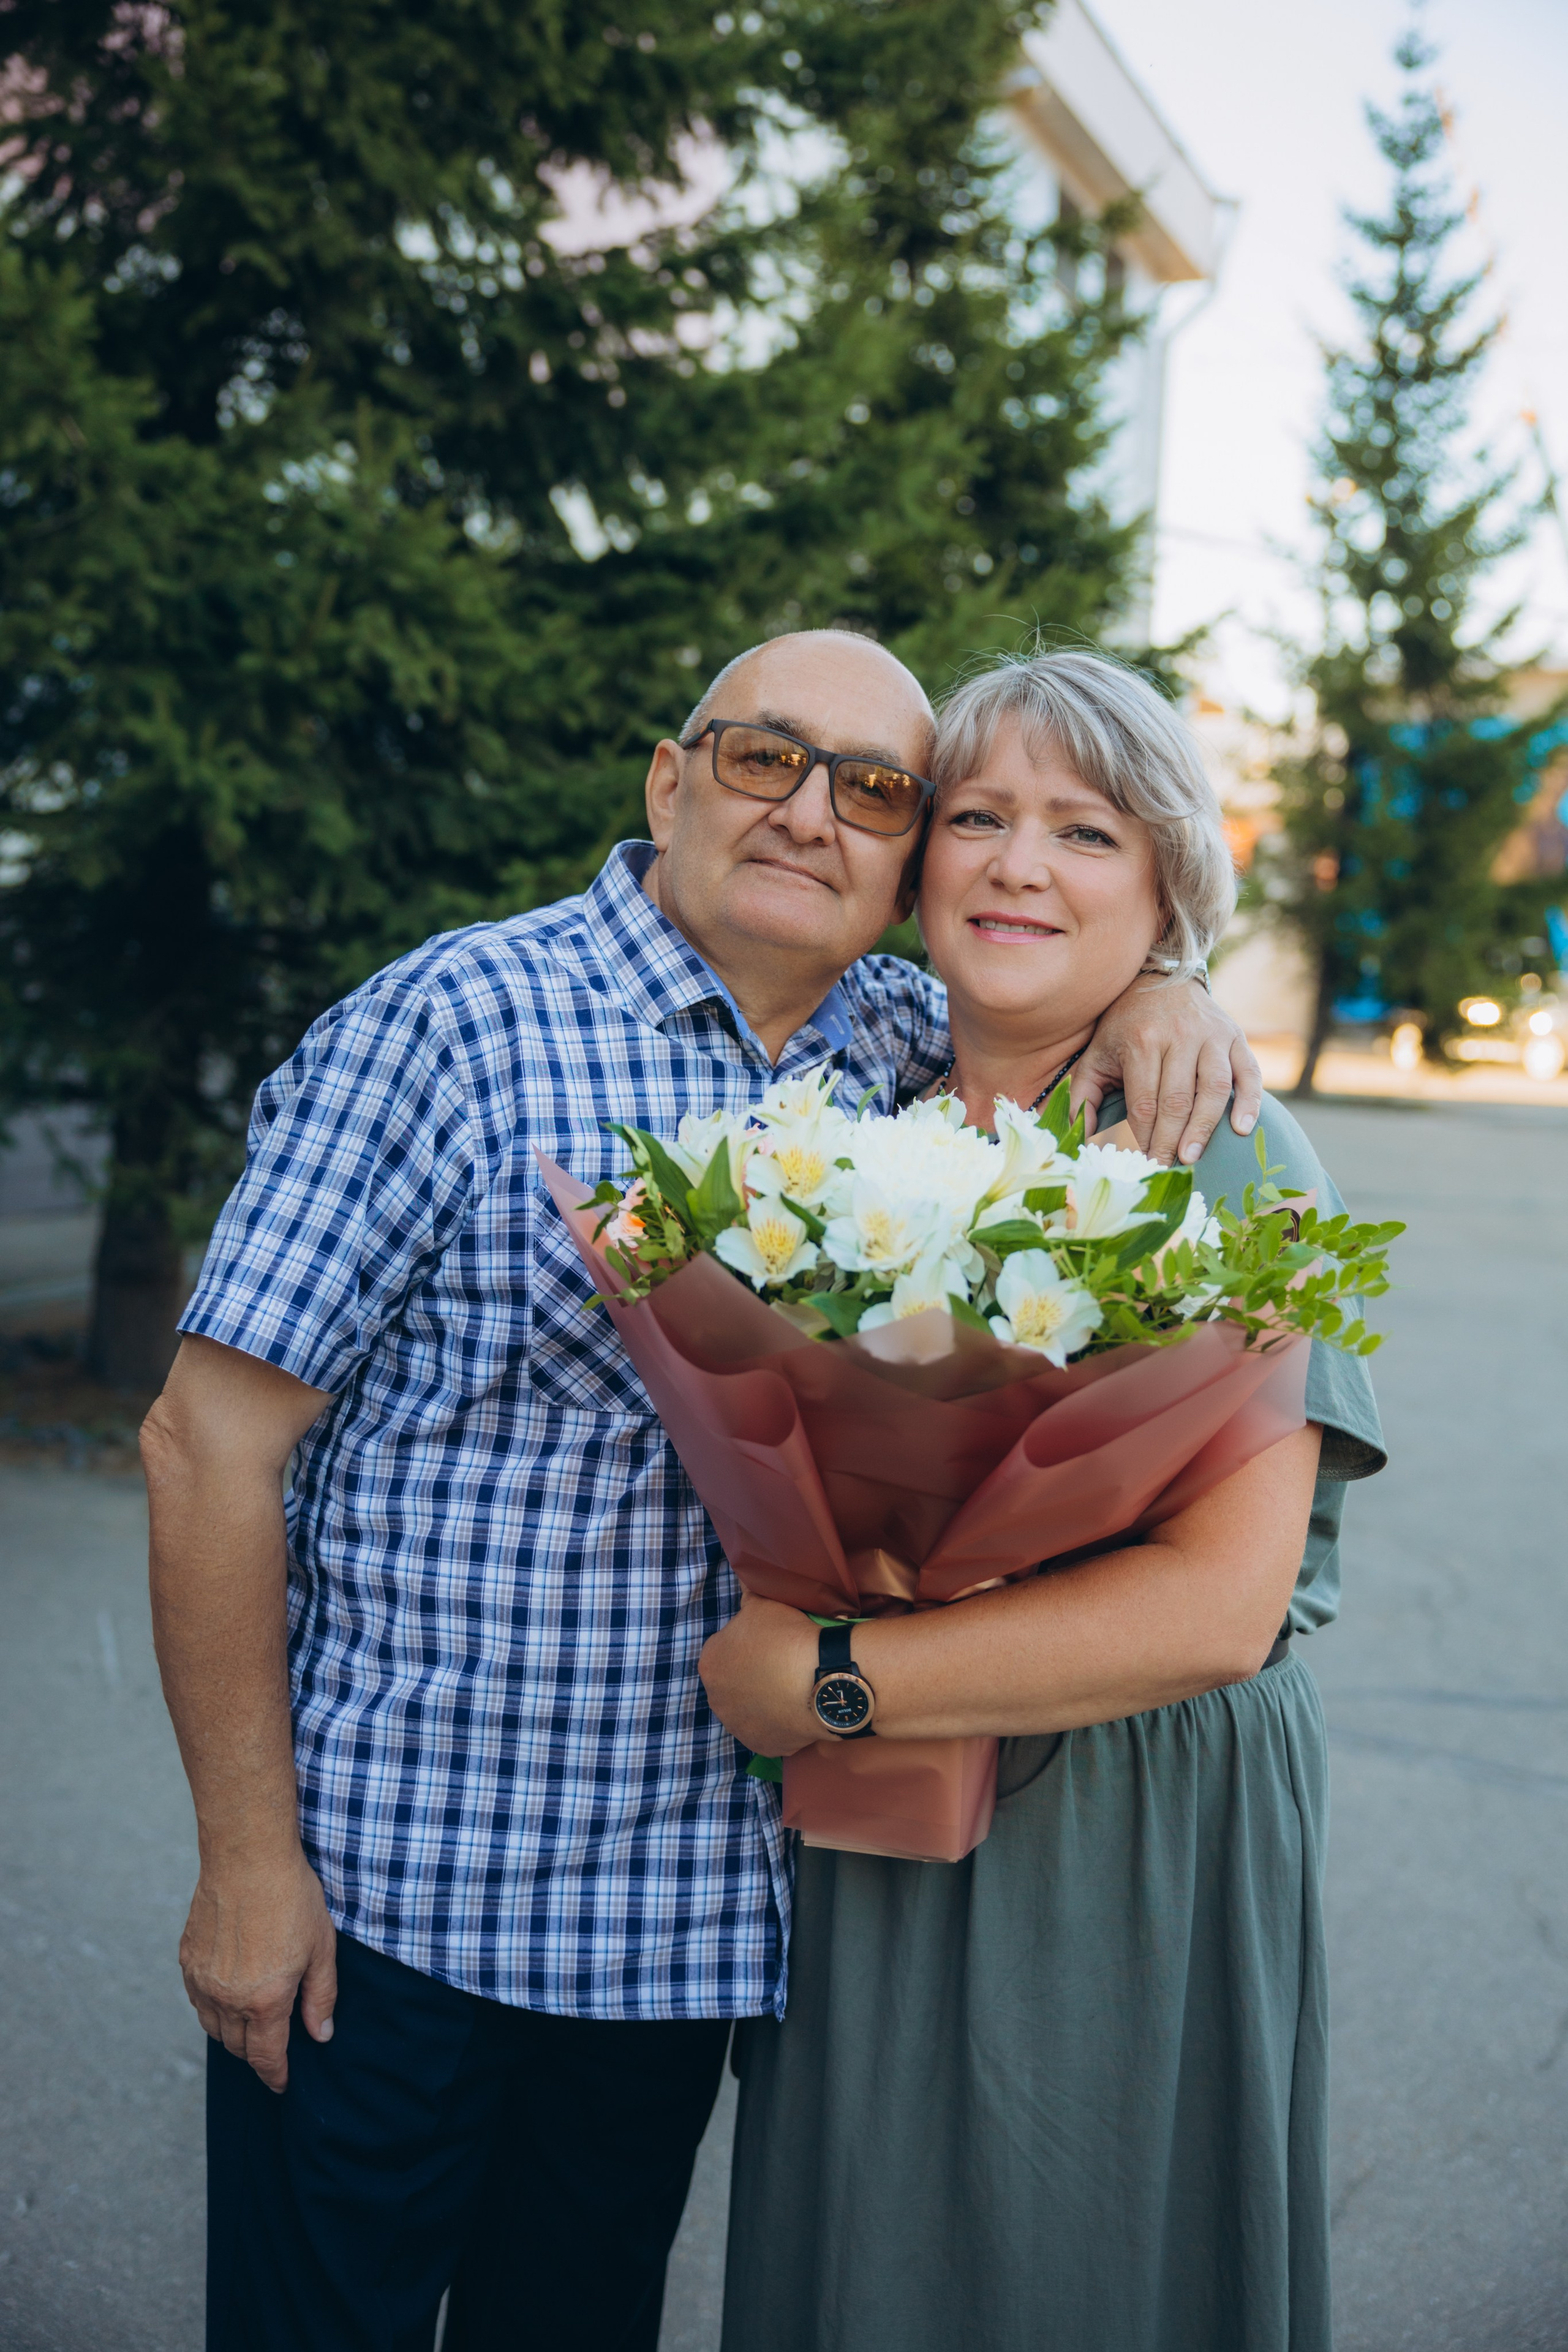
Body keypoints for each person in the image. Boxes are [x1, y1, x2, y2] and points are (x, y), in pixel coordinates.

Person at [141, 628, 1263, 2352]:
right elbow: (208, 1445)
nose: (815, 815)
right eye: (764, 758)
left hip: (670, 1941)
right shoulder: (456, 1020)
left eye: (878, 792)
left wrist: (1168, 990)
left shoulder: (910, 1060)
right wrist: (244, 1861)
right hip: (392, 1910)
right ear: (669, 782)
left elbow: (1057, 945)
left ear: (903, 863)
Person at [703, 649, 1387, 2352]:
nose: (1018, 865)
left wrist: (836, 1681)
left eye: (1085, 832)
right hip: (888, 1819)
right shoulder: (857, 1126)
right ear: (920, 860)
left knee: (1072, 2271)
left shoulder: (1229, 1141)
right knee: (874, 2250)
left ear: (1165, 888)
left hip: (1122, 1815)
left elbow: (1226, 1608)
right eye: (982, 818)